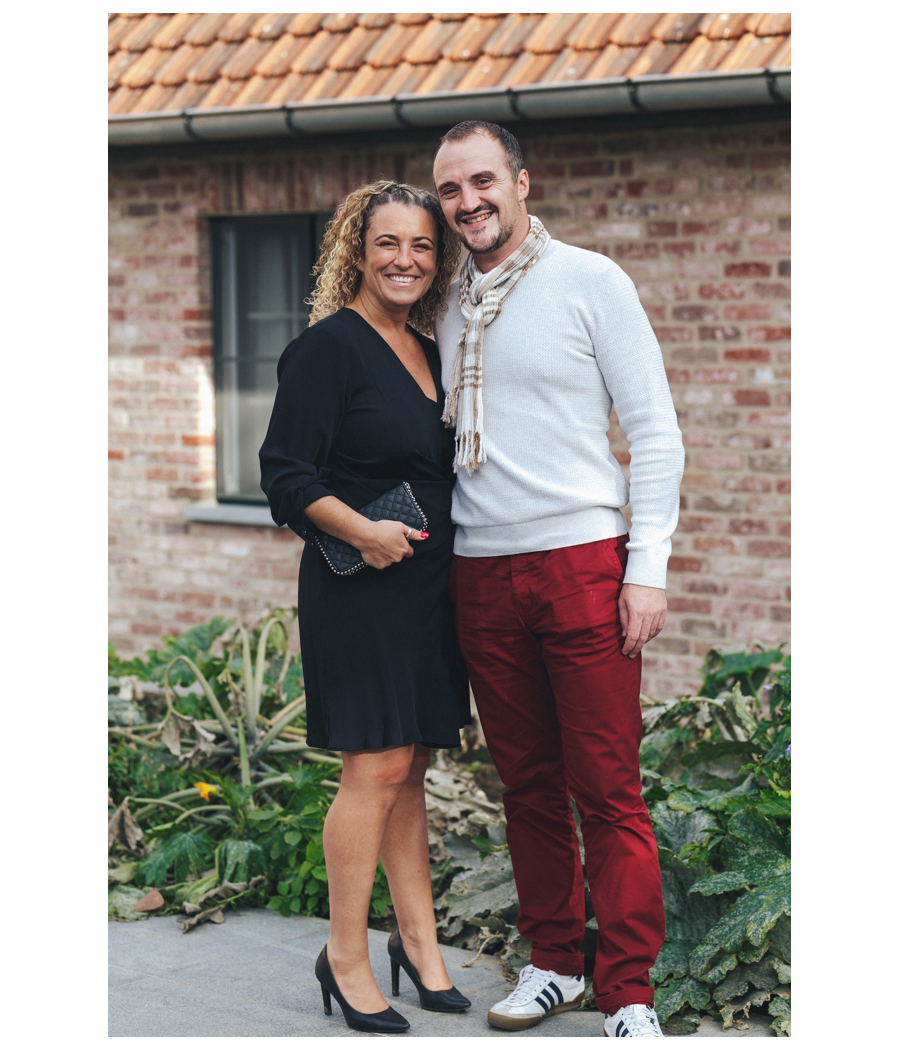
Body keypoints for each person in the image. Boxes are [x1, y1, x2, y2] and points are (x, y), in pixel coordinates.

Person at [432, 121, 685, 1039]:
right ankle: (553, 965)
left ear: (522, 183)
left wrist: (646, 567)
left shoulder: (591, 280)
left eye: (483, 181)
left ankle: (629, 994)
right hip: (479, 570)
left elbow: (653, 427)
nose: (468, 202)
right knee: (527, 786)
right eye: (451, 189)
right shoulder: (446, 304)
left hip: (582, 561)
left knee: (609, 789)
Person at [259, 181, 472, 1034]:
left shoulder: (428, 347)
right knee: (374, 770)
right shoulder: (327, 350)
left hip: (427, 589)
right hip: (361, 587)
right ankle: (344, 955)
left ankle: (417, 944)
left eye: (422, 245)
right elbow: (284, 475)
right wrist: (365, 532)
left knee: (409, 769)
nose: (405, 260)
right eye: (388, 242)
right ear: (357, 249)